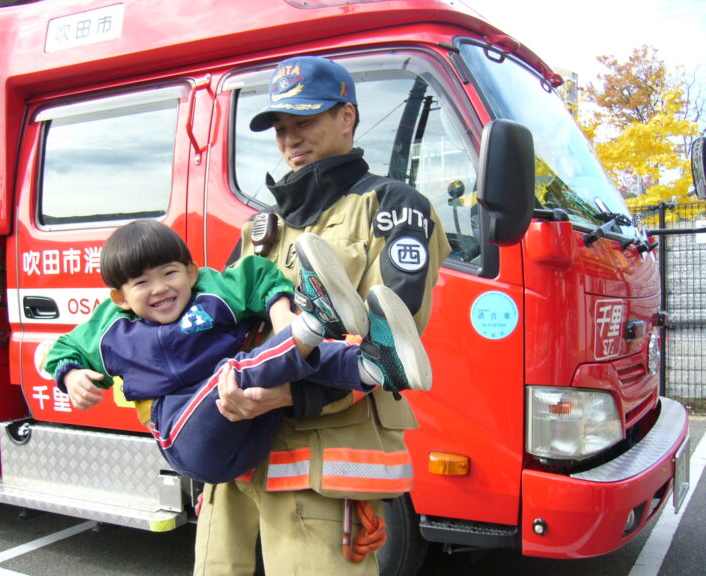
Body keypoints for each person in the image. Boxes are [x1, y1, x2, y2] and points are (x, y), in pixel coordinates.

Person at [194, 56, 450, 575]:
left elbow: (390, 348)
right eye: (281, 129)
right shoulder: (261, 226)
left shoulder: (394, 205)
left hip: (321, 463)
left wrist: (287, 393)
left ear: (347, 117)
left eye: (305, 121)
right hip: (237, 462)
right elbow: (220, 326)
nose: (291, 140)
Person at [44, 219, 431, 483]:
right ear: (121, 298)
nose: (160, 288)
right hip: (190, 440)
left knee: (273, 365)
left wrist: (281, 311)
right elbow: (63, 349)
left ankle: (376, 366)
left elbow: (256, 272)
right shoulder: (112, 328)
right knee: (236, 370)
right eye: (142, 282)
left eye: (169, 273)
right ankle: (315, 322)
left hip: (251, 425)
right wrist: (71, 375)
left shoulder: (211, 291)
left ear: (191, 272)